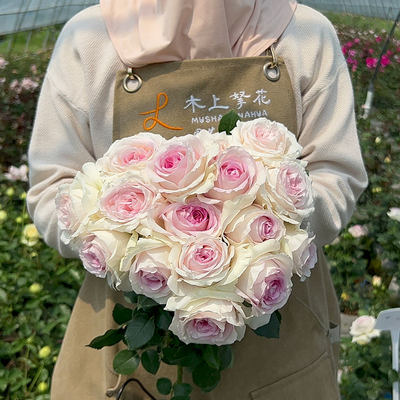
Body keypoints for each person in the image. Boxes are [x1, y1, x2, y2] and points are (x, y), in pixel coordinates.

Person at [27, 1, 368, 399]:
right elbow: (53, 190)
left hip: (279, 323)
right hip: (131, 336)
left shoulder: (305, 34)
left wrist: (257, 241)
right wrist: (151, 247)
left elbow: (337, 175)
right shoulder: (90, 39)